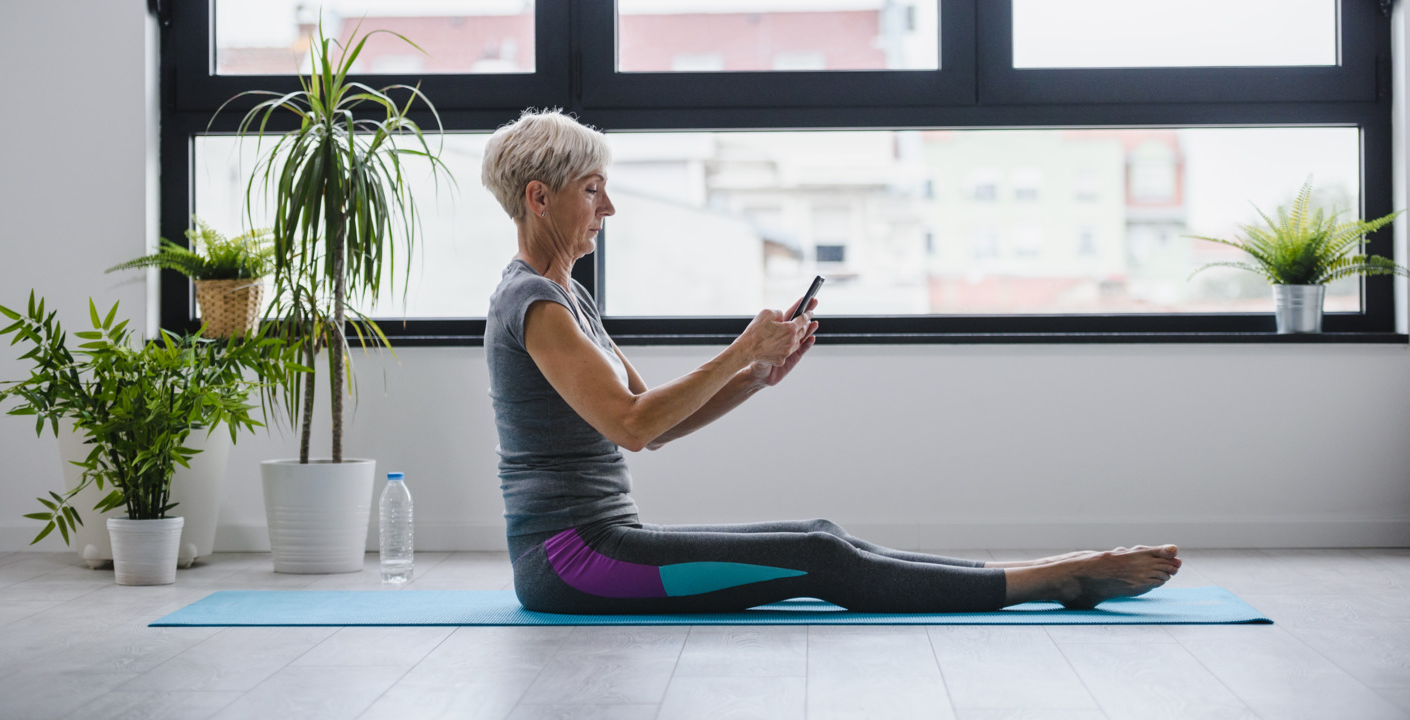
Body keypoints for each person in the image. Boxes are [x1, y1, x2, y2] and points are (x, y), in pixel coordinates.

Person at [481, 108, 1181, 614]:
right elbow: (631, 425)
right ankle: (1054, 578)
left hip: (605, 543)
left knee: (821, 536)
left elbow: (656, 427)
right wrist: (740, 350)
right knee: (818, 560)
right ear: (539, 198)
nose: (609, 208)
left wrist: (754, 377)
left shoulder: (569, 297)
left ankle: (1028, 575)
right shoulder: (535, 305)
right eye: (592, 190)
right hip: (574, 562)